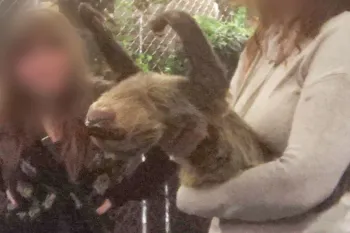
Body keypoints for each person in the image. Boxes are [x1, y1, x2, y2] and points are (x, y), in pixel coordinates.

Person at [172, 1, 350, 233]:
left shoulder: (341, 37)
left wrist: (190, 199)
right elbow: (226, 140)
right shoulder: (264, 41)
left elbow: (302, 183)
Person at [0, 8, 176, 233]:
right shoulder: (10, 107)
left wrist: (120, 194)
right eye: (26, 52)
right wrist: (8, 187)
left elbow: (171, 146)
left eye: (52, 47)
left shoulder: (107, 101)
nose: (41, 62)